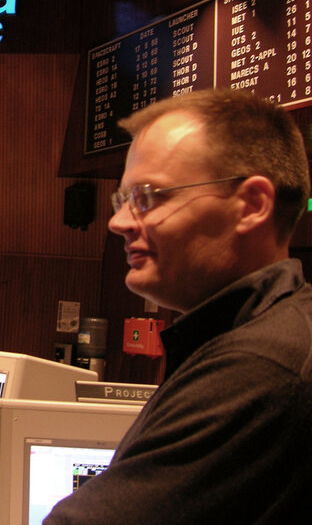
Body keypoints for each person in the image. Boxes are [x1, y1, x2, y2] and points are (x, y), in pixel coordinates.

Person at [46, 89, 312, 524]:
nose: (119, 222)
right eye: (122, 199)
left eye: (149, 196)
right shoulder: (259, 334)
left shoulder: (263, 366)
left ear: (252, 205)